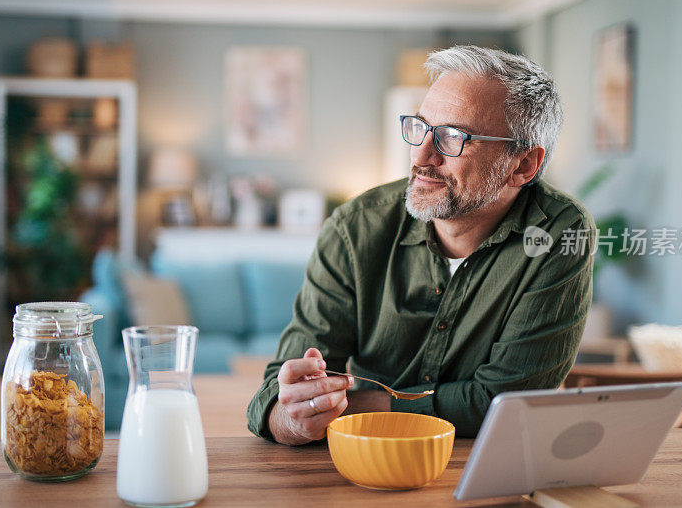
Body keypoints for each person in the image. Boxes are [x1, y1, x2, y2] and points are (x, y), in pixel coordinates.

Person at [246, 45, 595, 446]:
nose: (422, 155)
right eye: (420, 126)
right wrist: (292, 418)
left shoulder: (558, 233)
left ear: (523, 165)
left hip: (484, 466)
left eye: (453, 137)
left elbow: (507, 403)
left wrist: (361, 406)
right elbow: (279, 392)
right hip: (361, 460)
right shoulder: (355, 226)